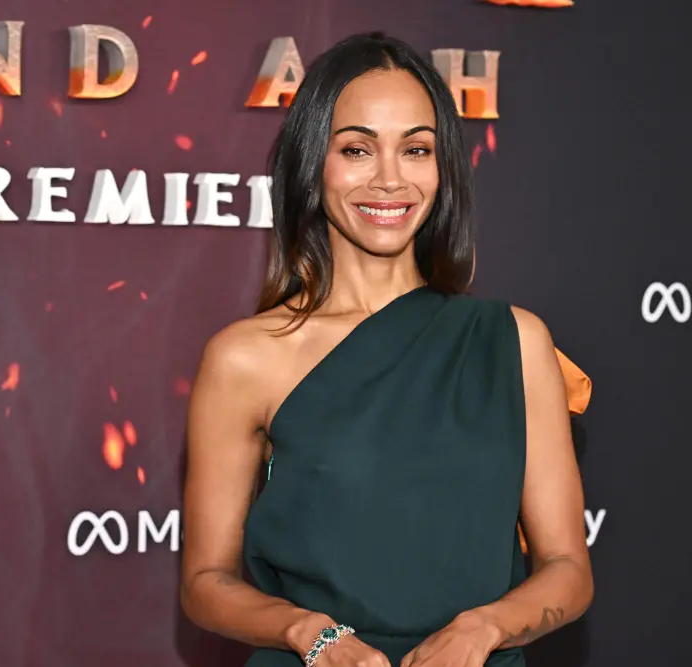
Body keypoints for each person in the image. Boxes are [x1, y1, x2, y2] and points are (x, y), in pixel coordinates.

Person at [180, 32, 593, 667]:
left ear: (442, 167)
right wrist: (310, 635)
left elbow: (568, 568)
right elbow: (205, 584)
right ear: (313, 164)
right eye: (357, 149)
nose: (391, 179)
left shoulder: (513, 341)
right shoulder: (246, 357)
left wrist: (484, 629)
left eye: (416, 149)